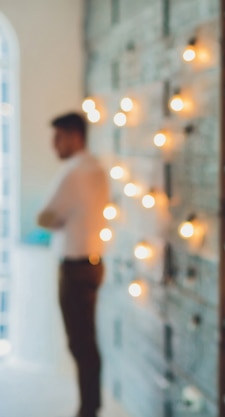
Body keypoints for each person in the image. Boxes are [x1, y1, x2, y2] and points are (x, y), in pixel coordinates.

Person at [37, 112, 109, 417]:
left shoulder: (74, 172)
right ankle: (91, 405)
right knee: (86, 341)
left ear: (75, 136)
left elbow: (44, 217)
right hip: (94, 263)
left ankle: (87, 410)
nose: (54, 145)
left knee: (80, 343)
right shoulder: (96, 169)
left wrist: (57, 220)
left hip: (75, 266)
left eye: (58, 137)